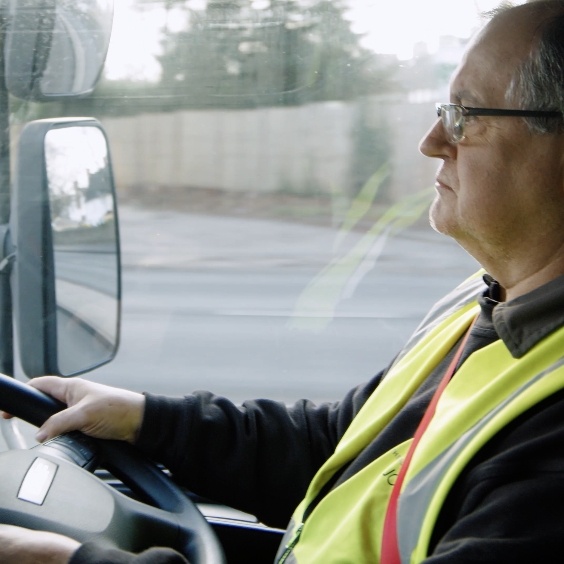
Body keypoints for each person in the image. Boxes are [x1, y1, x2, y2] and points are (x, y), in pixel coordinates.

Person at [4, 1, 564, 562]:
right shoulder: (485, 299)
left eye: (465, 114)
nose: (432, 140)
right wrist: (146, 419)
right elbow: (339, 446)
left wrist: (62, 559)